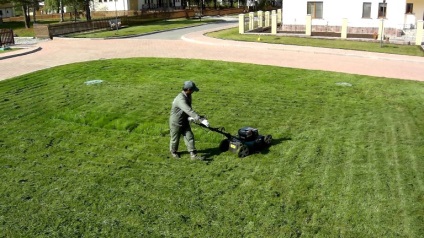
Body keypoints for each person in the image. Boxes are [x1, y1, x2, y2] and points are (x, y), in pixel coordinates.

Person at [169, 81, 207, 160]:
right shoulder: (180, 99)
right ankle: (173, 152)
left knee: (189, 136)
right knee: (175, 138)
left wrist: (194, 117)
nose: (193, 92)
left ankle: (193, 155)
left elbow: (188, 110)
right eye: (193, 90)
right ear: (188, 89)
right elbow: (188, 110)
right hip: (176, 122)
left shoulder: (188, 96)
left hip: (184, 120)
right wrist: (199, 118)